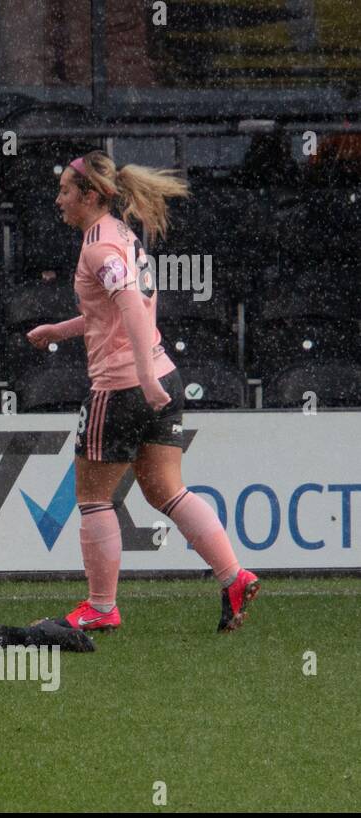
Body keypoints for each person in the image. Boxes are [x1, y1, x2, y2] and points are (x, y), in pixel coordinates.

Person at [26, 150, 260, 634]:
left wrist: (142, 379)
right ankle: (234, 576)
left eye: (66, 191)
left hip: (122, 386)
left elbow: (132, 306)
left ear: (89, 196)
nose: (58, 199)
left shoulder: (98, 248)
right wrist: (59, 330)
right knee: (167, 491)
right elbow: (112, 312)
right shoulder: (121, 236)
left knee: (92, 498)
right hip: (162, 374)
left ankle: (101, 606)